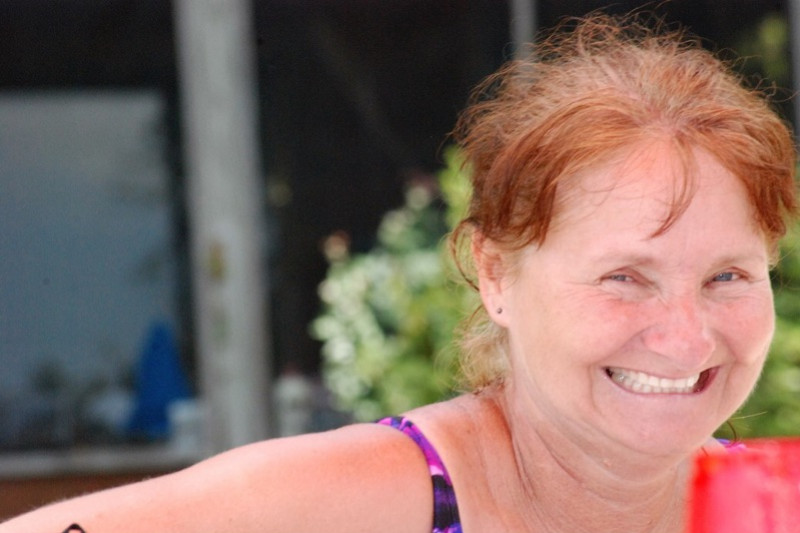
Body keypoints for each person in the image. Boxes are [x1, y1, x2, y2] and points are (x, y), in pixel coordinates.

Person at [2, 13, 797, 533]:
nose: (686, 336)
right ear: (495, 273)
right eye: (624, 276)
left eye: (728, 276)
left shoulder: (770, 508)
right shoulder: (377, 499)